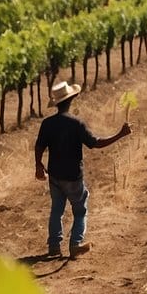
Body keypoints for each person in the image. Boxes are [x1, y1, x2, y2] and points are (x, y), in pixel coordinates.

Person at [35, 80, 131, 259]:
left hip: (54, 175)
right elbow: (95, 143)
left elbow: (39, 146)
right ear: (71, 100)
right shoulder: (77, 124)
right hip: (73, 176)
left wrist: (38, 165)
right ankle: (75, 244)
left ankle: (54, 246)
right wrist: (120, 134)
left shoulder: (47, 123)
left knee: (57, 209)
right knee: (80, 210)